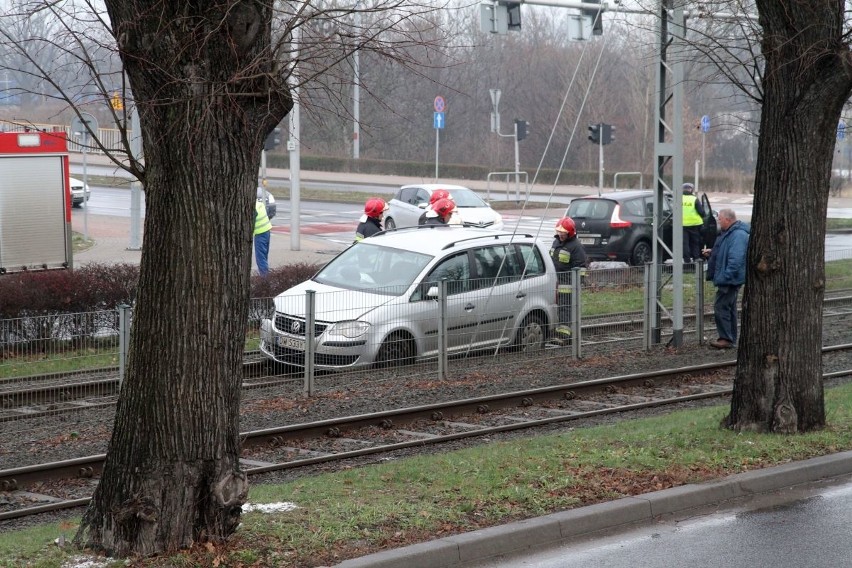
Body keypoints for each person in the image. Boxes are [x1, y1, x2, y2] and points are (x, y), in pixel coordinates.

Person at [703, 208, 749, 349]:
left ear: (728, 220)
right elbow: (728, 252)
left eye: (720, 219)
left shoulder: (738, 235)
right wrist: (713, 252)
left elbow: (736, 259)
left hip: (730, 279)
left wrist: (726, 276)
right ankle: (729, 338)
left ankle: (726, 339)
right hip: (729, 278)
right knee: (729, 308)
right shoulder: (732, 233)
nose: (718, 221)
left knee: (721, 307)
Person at [550, 217, 587, 345]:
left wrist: (577, 284)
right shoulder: (556, 243)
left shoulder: (576, 247)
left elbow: (581, 267)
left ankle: (564, 337)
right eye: (559, 231)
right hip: (555, 282)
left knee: (565, 309)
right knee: (559, 308)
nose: (560, 234)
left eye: (563, 232)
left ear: (570, 232)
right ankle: (561, 333)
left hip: (568, 284)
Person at [681, 182, 706, 263]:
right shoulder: (694, 199)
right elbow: (701, 212)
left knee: (685, 244)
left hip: (682, 225)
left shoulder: (678, 198)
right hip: (695, 224)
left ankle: (686, 260)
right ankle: (696, 258)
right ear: (691, 190)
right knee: (695, 242)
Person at [253, 200, 272, 276]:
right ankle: (265, 277)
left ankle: (264, 280)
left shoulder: (253, 208)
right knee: (264, 257)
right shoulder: (259, 204)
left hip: (260, 234)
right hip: (267, 231)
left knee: (260, 260)